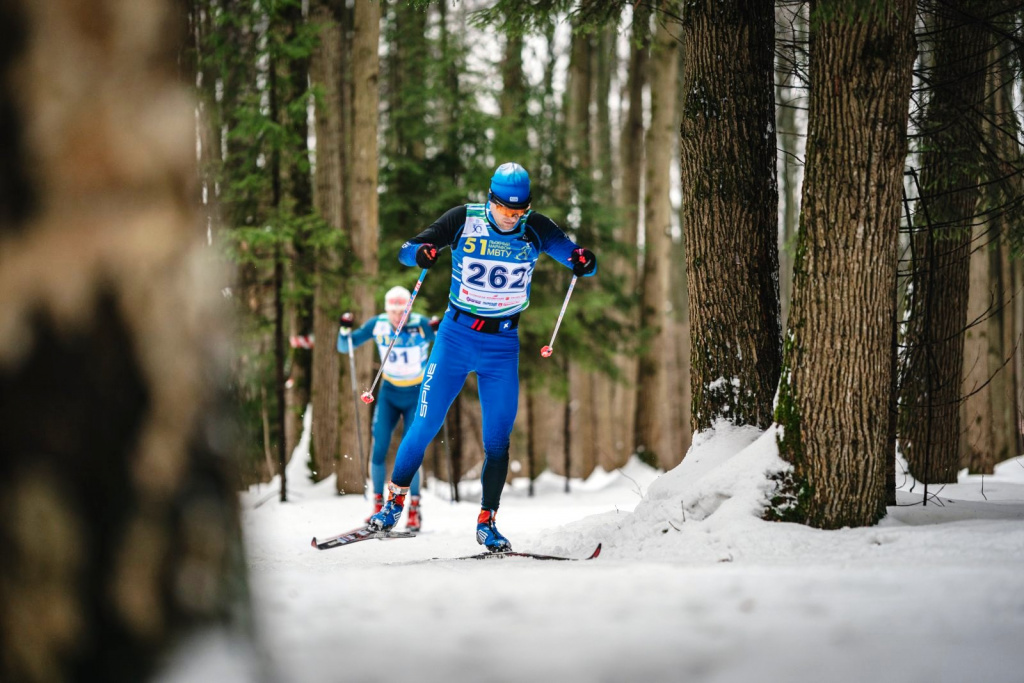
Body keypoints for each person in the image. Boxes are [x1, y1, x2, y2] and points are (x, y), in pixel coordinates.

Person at [368, 162, 597, 551]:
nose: (512, 216)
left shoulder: (536, 227)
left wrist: (583, 260)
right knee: (424, 424)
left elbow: (576, 258)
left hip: (501, 347)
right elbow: (407, 251)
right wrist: (421, 252)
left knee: (497, 441)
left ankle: (487, 521)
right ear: (490, 200)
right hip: (455, 338)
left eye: (519, 209)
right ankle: (393, 504)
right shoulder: (463, 219)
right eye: (506, 208)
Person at [338, 286, 437, 531]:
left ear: (409, 308)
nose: (396, 317)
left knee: (411, 449)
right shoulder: (378, 324)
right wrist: (344, 329)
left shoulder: (420, 324)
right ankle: (378, 505)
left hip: (416, 393)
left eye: (401, 311)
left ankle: (414, 509)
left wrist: (438, 327)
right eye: (392, 311)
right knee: (379, 447)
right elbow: (345, 346)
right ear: (386, 310)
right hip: (389, 393)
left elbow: (447, 343)